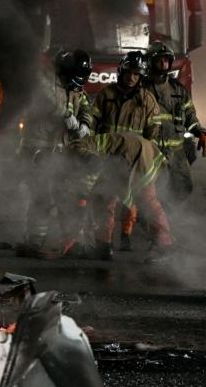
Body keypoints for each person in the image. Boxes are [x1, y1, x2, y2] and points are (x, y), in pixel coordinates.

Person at [16, 49, 93, 259]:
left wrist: (85, 123)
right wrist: (68, 117)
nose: (79, 82)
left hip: (62, 148)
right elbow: (50, 103)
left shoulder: (75, 88)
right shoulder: (46, 83)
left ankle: (71, 241)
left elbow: (86, 105)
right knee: (42, 197)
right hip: (38, 148)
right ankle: (33, 242)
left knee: (67, 196)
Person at [90, 51, 161, 253]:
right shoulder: (106, 95)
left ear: (141, 77)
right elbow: (93, 125)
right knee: (105, 201)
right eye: (129, 72)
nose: (131, 77)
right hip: (109, 159)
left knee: (147, 202)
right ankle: (104, 245)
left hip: (136, 161)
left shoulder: (147, 100)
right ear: (122, 71)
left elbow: (153, 133)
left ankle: (162, 245)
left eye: (136, 74)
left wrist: (148, 159)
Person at [65, 132, 172, 262]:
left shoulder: (82, 155)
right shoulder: (77, 153)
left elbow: (85, 188)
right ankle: (103, 247)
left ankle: (164, 247)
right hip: (122, 157)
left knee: (147, 201)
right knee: (102, 198)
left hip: (139, 155)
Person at [143, 41, 206, 203]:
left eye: (166, 60)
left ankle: (170, 218)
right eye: (159, 60)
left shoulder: (178, 89)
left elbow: (190, 116)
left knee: (183, 188)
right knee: (150, 191)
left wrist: (201, 133)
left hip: (176, 151)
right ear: (150, 62)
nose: (163, 63)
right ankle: (151, 220)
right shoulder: (141, 88)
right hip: (150, 150)